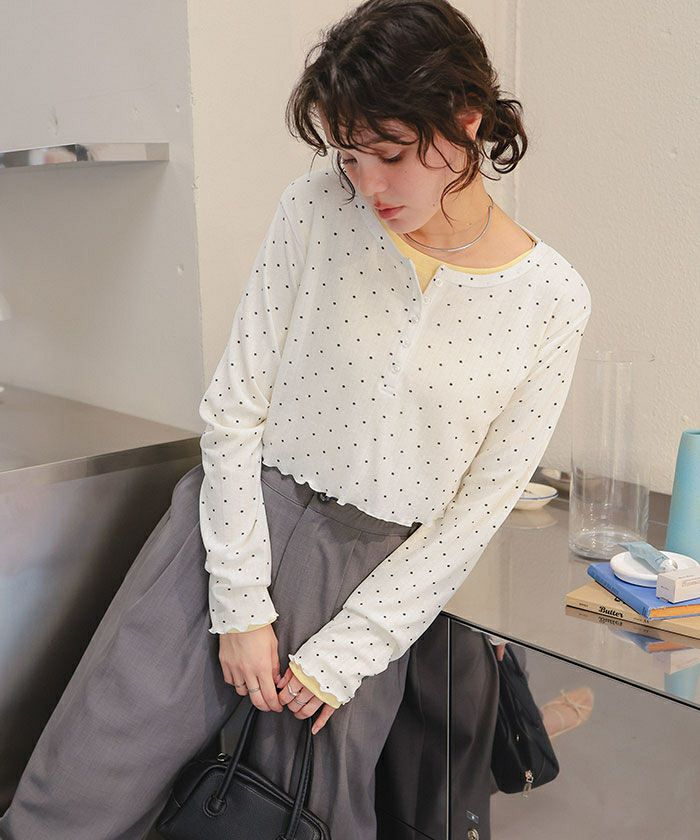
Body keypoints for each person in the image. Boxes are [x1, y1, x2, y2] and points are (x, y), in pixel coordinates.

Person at [0, 1, 591, 839]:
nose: (368, 184)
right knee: (80, 790)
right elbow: (234, 407)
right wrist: (241, 603)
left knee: (285, 819)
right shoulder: (316, 208)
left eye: (391, 154)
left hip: (370, 583)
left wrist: (349, 652)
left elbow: (478, 510)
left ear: (467, 122)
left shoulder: (550, 299)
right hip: (235, 526)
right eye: (349, 155)